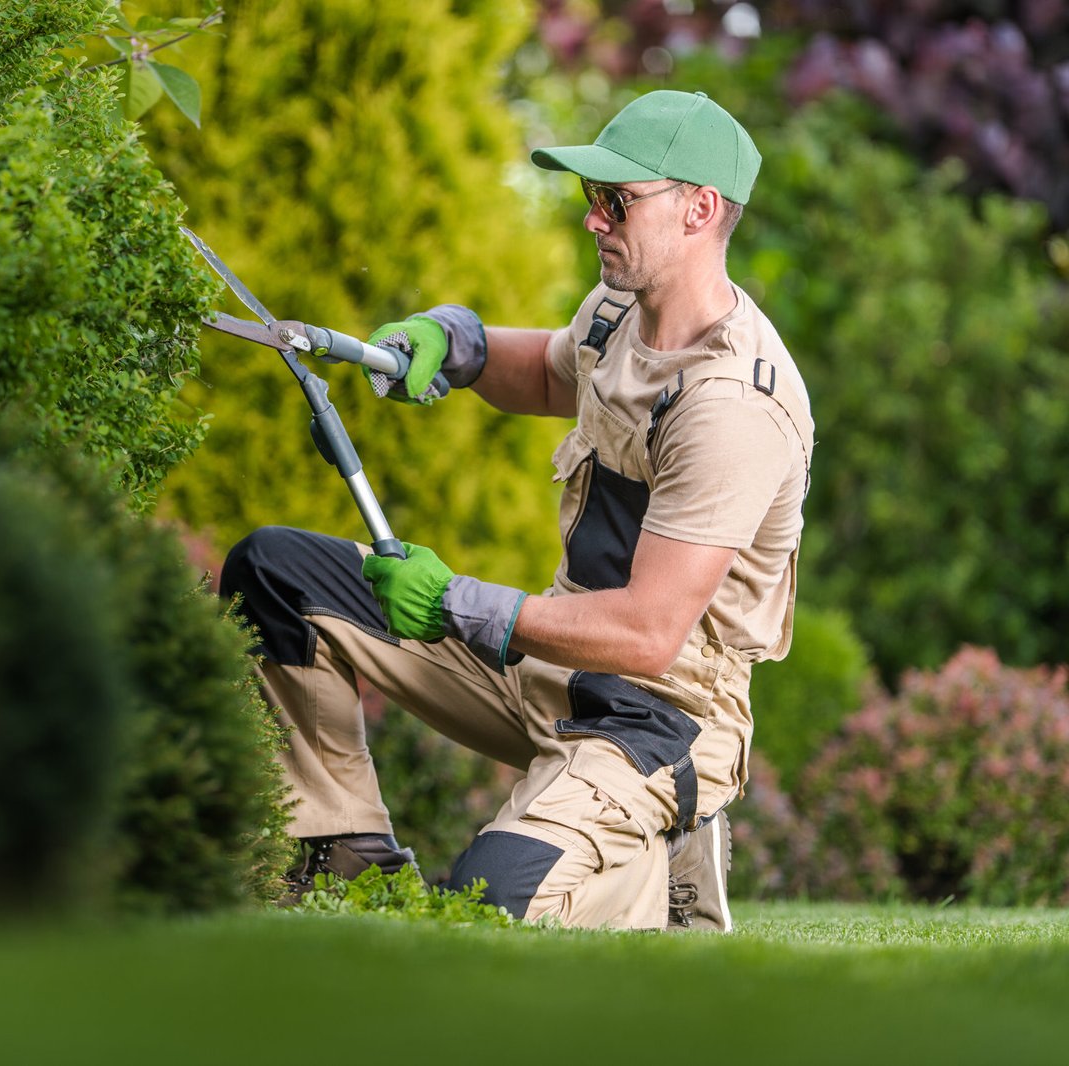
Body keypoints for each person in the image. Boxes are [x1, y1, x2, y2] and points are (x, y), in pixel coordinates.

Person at [221, 89, 812, 930]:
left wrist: (457, 602)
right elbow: (543, 373)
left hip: (657, 719)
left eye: (617, 202)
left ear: (700, 210)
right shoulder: (620, 315)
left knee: (487, 910)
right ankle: (341, 852)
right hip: (549, 669)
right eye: (589, 199)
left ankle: (662, 863)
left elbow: (649, 632)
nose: (593, 221)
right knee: (276, 573)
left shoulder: (732, 407)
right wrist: (452, 340)